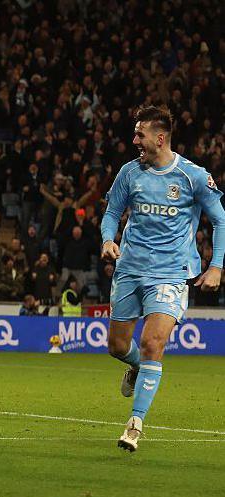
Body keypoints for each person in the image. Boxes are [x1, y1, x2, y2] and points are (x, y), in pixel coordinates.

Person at [100, 105, 225, 452]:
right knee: (118, 347)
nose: (134, 139)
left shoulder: (193, 176)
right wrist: (108, 239)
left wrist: (217, 266)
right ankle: (135, 367)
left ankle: (134, 424)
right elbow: (111, 212)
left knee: (154, 342)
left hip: (170, 274)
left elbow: (220, 220)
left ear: (159, 138)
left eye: (140, 134)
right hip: (129, 269)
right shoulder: (129, 173)